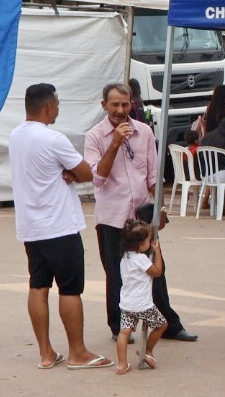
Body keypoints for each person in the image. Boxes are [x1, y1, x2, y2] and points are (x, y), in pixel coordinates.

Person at [9, 83, 113, 370]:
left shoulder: (15, 136)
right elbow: (86, 173)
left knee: (38, 285)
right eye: (57, 103)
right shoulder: (54, 139)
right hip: (59, 225)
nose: (58, 108)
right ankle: (77, 352)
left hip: (31, 226)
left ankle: (45, 353)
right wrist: (69, 171)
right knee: (69, 289)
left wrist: (65, 171)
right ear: (48, 107)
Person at [84, 83, 198, 344]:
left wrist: (161, 209)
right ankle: (119, 326)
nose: (121, 110)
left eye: (125, 104)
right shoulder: (94, 136)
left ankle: (168, 324)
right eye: (115, 105)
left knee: (155, 269)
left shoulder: (144, 132)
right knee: (116, 273)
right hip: (112, 218)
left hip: (142, 217)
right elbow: (98, 177)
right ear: (104, 106)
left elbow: (153, 177)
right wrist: (115, 142)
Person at [115, 219, 168, 375]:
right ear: (139, 244)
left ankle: (121, 364)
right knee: (161, 324)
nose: (149, 242)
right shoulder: (141, 259)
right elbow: (157, 272)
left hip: (126, 304)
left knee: (124, 332)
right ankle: (148, 351)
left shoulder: (125, 257)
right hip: (142, 305)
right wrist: (157, 251)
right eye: (147, 240)